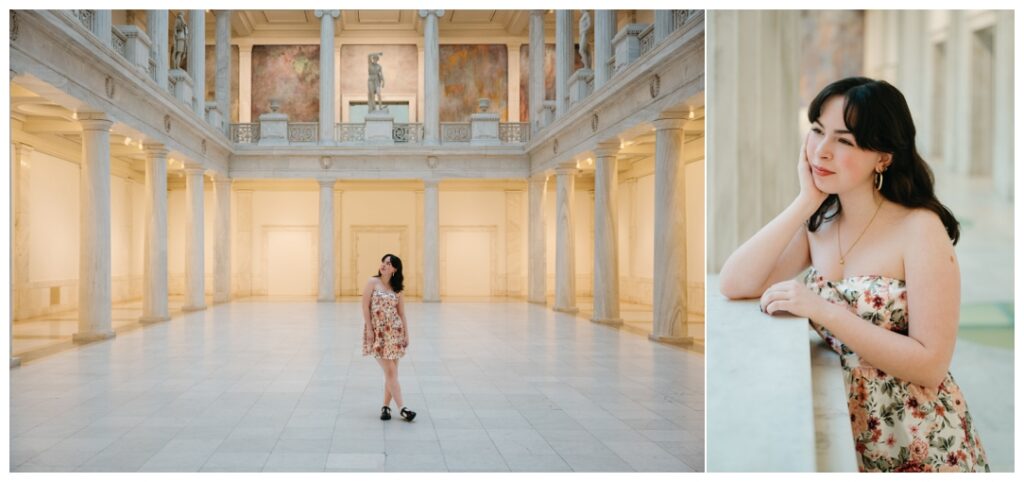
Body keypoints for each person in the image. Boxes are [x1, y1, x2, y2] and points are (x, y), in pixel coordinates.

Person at [719, 77, 988, 472]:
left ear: (883, 156)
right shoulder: (821, 223)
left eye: (844, 141)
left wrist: (823, 310)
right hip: (848, 426)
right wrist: (805, 200)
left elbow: (931, 364)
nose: (821, 151)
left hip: (917, 438)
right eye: (816, 131)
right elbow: (733, 282)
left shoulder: (920, 228)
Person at [362, 254, 415, 422]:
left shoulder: (397, 288)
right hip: (378, 333)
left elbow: (402, 314)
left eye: (389, 263)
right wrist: (369, 330)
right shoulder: (372, 282)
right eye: (383, 262)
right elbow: (364, 306)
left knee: (391, 374)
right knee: (391, 371)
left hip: (395, 333)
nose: (384, 265)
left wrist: (406, 334)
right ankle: (403, 408)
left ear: (395, 269)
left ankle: (385, 407)